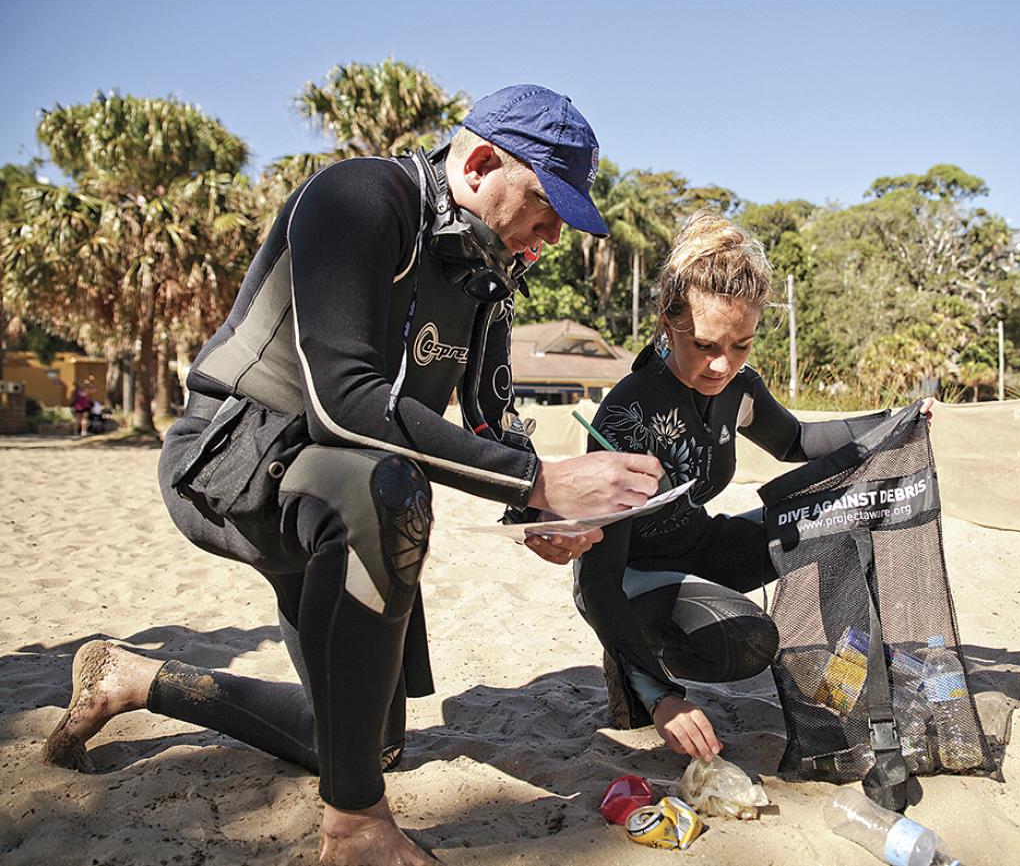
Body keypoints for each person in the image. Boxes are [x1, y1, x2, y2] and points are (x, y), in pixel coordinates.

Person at [41, 85, 662, 866]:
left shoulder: (486, 275)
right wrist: (537, 481)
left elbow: (487, 423)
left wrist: (537, 516)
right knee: (390, 486)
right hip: (233, 461)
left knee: (366, 744)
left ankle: (131, 677)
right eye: (544, 204)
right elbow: (345, 404)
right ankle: (355, 827)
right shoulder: (360, 197)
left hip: (337, 490)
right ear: (477, 162)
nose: (551, 230)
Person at [570, 211, 934, 764]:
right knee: (744, 639)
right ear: (668, 324)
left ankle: (848, 691)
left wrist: (892, 421)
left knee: (836, 522)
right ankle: (635, 665)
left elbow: (796, 440)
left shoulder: (735, 387)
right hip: (627, 574)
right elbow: (599, 579)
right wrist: (662, 698)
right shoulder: (626, 416)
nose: (723, 364)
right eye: (706, 344)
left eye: (742, 345)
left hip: (700, 544)